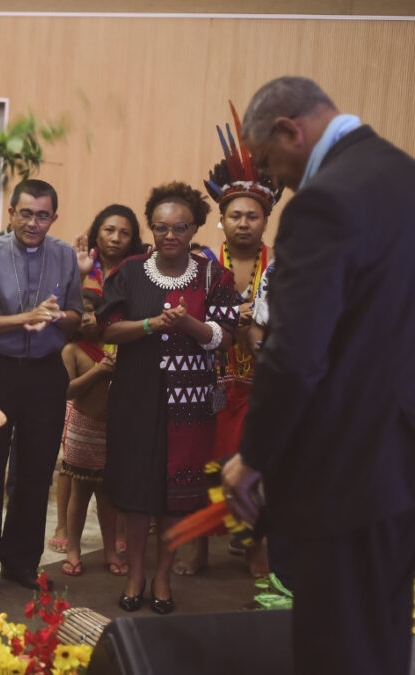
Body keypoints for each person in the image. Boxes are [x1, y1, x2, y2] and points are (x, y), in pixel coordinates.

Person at [221, 76, 415, 675]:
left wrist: (254, 456)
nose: (274, 177)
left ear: (290, 131)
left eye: (269, 160)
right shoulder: (403, 175)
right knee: (383, 636)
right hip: (400, 460)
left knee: (336, 644)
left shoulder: (324, 202)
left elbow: (295, 354)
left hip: (345, 466)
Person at [99, 181, 240, 615]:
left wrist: (187, 324)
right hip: (135, 397)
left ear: (195, 228)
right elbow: (107, 328)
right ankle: (136, 574)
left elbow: (226, 338)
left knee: (178, 492)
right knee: (137, 491)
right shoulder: (129, 271)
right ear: (151, 228)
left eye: (180, 227)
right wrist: (152, 324)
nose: (170, 235)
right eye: (161, 227)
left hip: (191, 403)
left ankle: (163, 575)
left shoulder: (215, 276)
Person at [171, 105, 283, 579]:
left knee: (256, 467)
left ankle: (256, 546)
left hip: (262, 385)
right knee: (202, 466)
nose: (243, 223)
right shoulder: (200, 264)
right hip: (205, 382)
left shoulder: (281, 265)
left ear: (265, 220)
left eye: (252, 216)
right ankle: (198, 546)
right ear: (221, 217)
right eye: (234, 214)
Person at [0, 178, 83, 594]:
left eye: (43, 215)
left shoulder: (64, 256)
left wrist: (59, 317)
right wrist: (25, 318)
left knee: (35, 470)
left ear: (54, 218)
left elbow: (77, 315)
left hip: (45, 372)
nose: (33, 223)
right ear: (11, 213)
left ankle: (21, 562)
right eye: (26, 213)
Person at [50, 203, 143, 554]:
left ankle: (115, 531)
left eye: (124, 233)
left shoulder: (138, 269)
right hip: (82, 356)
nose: (116, 238)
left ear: (133, 238)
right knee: (72, 459)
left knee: (115, 460)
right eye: (109, 230)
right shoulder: (81, 265)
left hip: (122, 356)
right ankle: (62, 524)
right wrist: (76, 273)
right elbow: (62, 305)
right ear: (96, 232)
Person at [57, 289, 124, 578]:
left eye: (92, 310)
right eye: (80, 311)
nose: (86, 317)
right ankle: (73, 550)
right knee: (80, 492)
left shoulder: (117, 345)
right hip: (83, 428)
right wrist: (97, 372)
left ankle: (110, 551)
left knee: (108, 495)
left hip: (113, 430)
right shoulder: (72, 351)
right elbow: (66, 391)